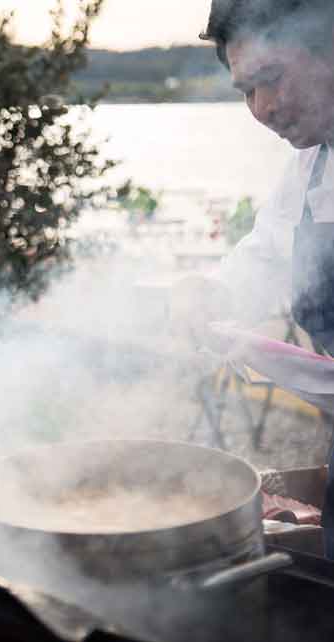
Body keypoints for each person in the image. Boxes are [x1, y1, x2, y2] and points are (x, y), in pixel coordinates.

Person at [172, 0, 334, 553]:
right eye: (245, 91)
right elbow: (264, 257)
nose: (262, 109)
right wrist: (212, 293)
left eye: (272, 79)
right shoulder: (312, 164)